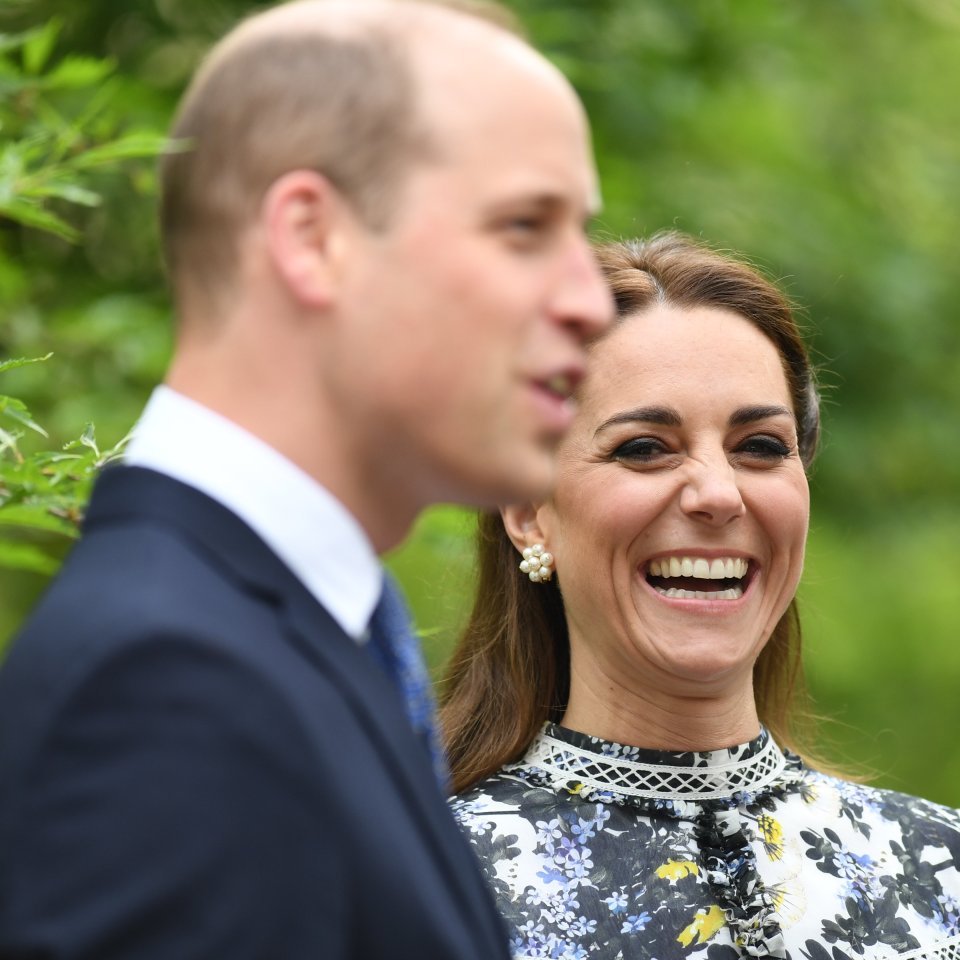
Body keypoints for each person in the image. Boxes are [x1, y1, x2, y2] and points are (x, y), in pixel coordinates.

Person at [0, 1, 613, 957]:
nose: (587, 300)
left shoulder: (291, 643)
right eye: (526, 225)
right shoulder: (166, 687)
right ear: (311, 237)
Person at [443, 233, 960, 960]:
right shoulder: (413, 893)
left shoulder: (942, 874)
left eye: (760, 446)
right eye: (645, 448)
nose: (719, 494)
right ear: (529, 511)